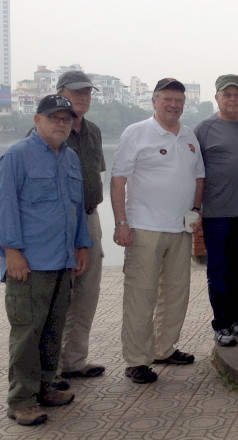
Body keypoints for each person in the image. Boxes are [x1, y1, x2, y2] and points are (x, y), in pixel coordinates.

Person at [0, 95, 92, 425]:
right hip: (29, 263)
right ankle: (21, 399)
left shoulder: (69, 158)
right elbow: (5, 206)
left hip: (62, 259)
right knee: (27, 332)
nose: (60, 123)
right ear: (37, 120)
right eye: (53, 117)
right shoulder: (17, 155)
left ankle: (45, 386)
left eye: (65, 118)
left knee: (53, 328)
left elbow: (76, 207)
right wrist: (11, 252)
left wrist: (82, 246)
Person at [111, 78, 205, 384]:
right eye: (167, 99)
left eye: (178, 100)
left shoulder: (189, 135)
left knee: (176, 293)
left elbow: (199, 177)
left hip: (180, 228)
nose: (173, 105)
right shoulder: (136, 133)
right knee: (142, 295)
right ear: (154, 101)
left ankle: (164, 348)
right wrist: (121, 223)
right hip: (144, 227)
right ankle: (137, 360)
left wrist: (196, 210)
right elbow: (118, 180)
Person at [195, 74, 238, 347]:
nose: (233, 99)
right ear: (217, 98)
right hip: (216, 214)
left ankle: (235, 319)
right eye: (227, 94)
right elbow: (195, 173)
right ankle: (221, 323)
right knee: (219, 271)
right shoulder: (204, 129)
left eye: (237, 94)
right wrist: (195, 208)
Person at [48, 71, 106, 383]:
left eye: (87, 93)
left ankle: (75, 360)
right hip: (60, 222)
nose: (82, 97)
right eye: (76, 92)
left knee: (88, 292)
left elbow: (96, 173)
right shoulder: (53, 131)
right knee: (61, 296)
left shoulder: (93, 131)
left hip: (90, 215)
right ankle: (51, 368)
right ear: (61, 94)